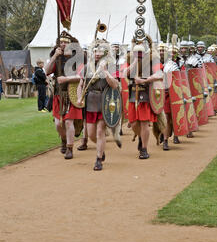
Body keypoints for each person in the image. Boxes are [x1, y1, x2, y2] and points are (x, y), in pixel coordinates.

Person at [77, 38, 119, 171]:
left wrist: (105, 71)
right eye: (95, 51)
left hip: (104, 102)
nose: (97, 53)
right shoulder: (87, 68)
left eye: (100, 51)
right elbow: (81, 85)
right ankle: (101, 149)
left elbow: (115, 85)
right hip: (90, 102)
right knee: (90, 134)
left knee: (100, 131)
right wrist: (79, 98)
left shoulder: (110, 66)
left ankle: (98, 158)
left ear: (105, 53)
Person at [45, 31, 83, 160]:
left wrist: (66, 79)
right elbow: (47, 71)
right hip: (58, 95)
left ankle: (70, 148)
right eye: (61, 42)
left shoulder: (77, 57)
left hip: (72, 93)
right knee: (57, 124)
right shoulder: (57, 57)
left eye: (66, 42)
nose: (63, 44)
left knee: (68, 123)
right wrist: (55, 56)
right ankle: (63, 139)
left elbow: (82, 76)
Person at [125, 36, 163, 160]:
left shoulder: (153, 57)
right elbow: (125, 73)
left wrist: (145, 80)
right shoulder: (130, 57)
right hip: (133, 93)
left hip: (146, 93)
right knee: (134, 123)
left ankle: (144, 149)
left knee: (144, 123)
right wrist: (135, 61)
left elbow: (159, 74)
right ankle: (140, 137)